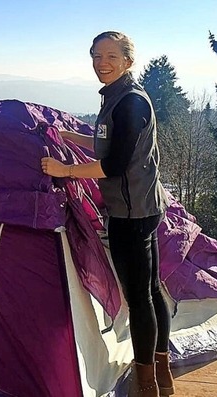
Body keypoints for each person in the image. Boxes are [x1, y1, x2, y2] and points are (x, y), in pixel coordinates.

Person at [41, 31, 173, 397]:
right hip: (145, 206)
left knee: (140, 299)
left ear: (128, 61)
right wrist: (70, 136)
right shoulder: (117, 97)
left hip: (131, 214)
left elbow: (113, 164)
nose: (102, 63)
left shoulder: (129, 103)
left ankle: (146, 385)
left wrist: (63, 170)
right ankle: (162, 374)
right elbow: (107, 142)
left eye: (111, 56)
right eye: (97, 56)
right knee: (151, 291)